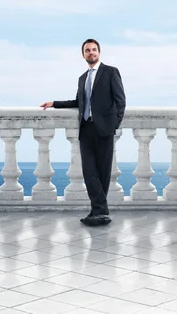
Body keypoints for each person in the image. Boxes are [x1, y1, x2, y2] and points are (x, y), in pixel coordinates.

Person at [40, 39, 126, 226]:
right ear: (83, 55)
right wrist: (54, 103)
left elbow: (121, 101)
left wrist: (114, 125)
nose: (91, 53)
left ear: (99, 52)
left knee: (103, 172)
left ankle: (98, 213)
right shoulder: (82, 78)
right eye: (87, 50)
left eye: (94, 50)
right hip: (86, 129)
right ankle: (101, 212)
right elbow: (78, 102)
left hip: (104, 129)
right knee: (89, 172)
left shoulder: (111, 72)